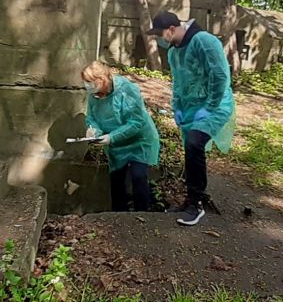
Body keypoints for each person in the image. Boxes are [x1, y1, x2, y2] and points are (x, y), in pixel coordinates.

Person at [147, 11, 236, 226]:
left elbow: (220, 75)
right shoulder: (174, 52)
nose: (159, 39)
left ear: (171, 29)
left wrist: (210, 106)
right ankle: (191, 198)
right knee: (190, 148)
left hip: (214, 106)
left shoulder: (203, 41)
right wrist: (176, 106)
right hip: (190, 108)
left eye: (160, 34)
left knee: (195, 143)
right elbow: (177, 82)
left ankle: (196, 204)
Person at [82, 61, 160, 212]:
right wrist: (93, 131)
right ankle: (118, 218)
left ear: (103, 79)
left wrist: (112, 137)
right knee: (116, 180)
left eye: (91, 82)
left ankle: (142, 217)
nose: (88, 86)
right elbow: (92, 117)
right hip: (116, 146)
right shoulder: (94, 95)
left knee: (139, 176)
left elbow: (136, 122)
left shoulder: (127, 90)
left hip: (139, 141)